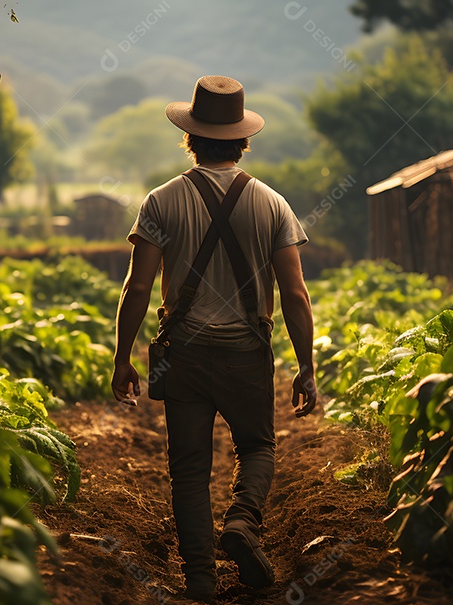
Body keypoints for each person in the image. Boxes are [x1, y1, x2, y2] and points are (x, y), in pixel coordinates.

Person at [110, 75, 317, 603]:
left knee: (188, 470)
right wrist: (307, 366)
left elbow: (137, 287)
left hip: (181, 357)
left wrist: (123, 359)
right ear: (242, 141)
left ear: (191, 137)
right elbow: (295, 294)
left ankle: (200, 577)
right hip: (248, 353)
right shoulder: (272, 204)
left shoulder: (160, 202)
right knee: (257, 447)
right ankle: (243, 522)